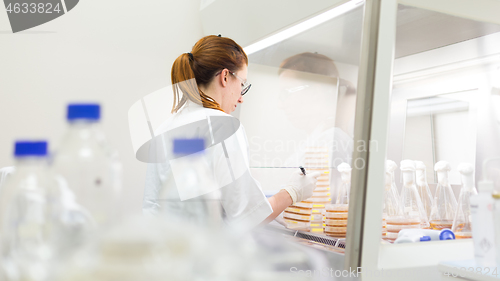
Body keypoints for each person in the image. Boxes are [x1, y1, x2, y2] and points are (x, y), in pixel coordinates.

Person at [142, 35, 321, 230]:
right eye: (242, 84)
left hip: (163, 254)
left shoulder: (165, 127)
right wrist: (293, 192)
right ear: (225, 77)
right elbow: (247, 217)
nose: (241, 98)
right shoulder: (224, 127)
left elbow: (152, 207)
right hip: (205, 256)